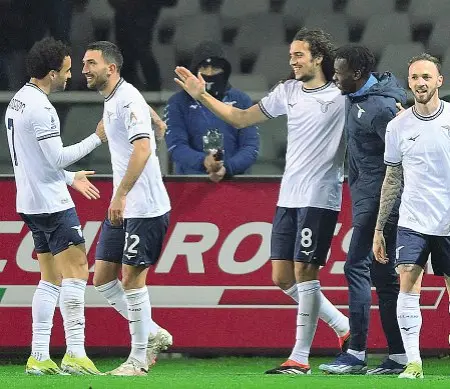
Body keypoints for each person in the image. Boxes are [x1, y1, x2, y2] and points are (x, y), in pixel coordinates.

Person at [174, 28, 350, 374]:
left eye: (299, 55)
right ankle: (345, 327)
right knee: (281, 277)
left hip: (320, 195)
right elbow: (241, 118)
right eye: (291, 56)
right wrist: (202, 96)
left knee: (305, 273)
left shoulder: (343, 94)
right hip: (289, 196)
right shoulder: (288, 91)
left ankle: (300, 357)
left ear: (318, 57)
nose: (292, 61)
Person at [4, 37, 106, 375]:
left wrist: (68, 177)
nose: (70, 75)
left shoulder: (18, 100)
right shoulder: (42, 108)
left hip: (31, 201)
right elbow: (56, 157)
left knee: (50, 278)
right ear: (51, 73)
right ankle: (76, 352)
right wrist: (97, 138)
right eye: (65, 69)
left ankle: (38, 355)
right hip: (52, 204)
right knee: (77, 270)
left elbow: (39, 161)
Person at [82, 41, 172, 376]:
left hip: (143, 206)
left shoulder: (126, 97)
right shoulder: (118, 95)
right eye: (83, 63)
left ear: (111, 68)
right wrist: (157, 122)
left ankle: (137, 359)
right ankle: (151, 331)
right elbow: (139, 106)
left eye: (91, 63)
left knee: (131, 279)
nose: (84, 70)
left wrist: (119, 194)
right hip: (125, 204)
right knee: (103, 278)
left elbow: (143, 151)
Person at [319, 45, 407, 375]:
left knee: (356, 267)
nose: (334, 77)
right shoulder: (359, 97)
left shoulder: (381, 109)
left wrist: (386, 213)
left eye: (339, 71)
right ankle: (397, 355)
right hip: (366, 197)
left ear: (356, 75)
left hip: (377, 202)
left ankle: (356, 352)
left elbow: (400, 162)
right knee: (385, 279)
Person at [372, 53, 450, 379]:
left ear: (439, 81)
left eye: (426, 77)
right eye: (415, 77)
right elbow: (392, 178)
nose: (420, 83)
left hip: (448, 220)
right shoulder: (397, 126)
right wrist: (380, 227)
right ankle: (414, 363)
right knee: (407, 280)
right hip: (413, 219)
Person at [165, 41, 259, 181]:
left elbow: (250, 147)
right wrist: (204, 162)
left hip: (236, 184)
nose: (209, 73)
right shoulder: (178, 102)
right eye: (203, 67)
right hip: (190, 185)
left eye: (215, 68)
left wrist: (227, 168)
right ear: (195, 70)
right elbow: (176, 146)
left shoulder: (241, 100)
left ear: (225, 71)